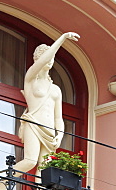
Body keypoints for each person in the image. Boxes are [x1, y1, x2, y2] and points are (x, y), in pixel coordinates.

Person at [12, 31, 79, 176]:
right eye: (47, 57)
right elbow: (43, 61)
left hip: (49, 131)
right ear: (37, 59)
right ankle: (4, 181)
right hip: (34, 124)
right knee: (30, 160)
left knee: (44, 168)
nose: (50, 60)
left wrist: (59, 135)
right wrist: (63, 39)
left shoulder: (56, 89)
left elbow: (58, 118)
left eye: (52, 58)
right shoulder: (31, 80)